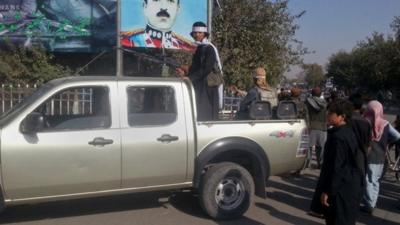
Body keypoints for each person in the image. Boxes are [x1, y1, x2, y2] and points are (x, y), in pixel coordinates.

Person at [312, 99, 366, 225]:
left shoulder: (339, 138)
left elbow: (338, 168)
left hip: (341, 191)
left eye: (331, 113)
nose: (327, 115)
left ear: (342, 117)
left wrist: (328, 191)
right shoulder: (346, 132)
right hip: (348, 187)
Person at [176, 21, 221, 121]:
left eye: (200, 33)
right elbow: (196, 67)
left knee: (206, 113)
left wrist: (190, 78)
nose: (197, 35)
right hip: (199, 85)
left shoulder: (209, 49)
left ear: (204, 34)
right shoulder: (199, 48)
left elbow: (207, 68)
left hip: (207, 86)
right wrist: (186, 73)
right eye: (195, 33)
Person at [121, 0, 194, 50]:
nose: (164, 7)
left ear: (178, 9)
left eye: (170, 0)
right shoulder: (124, 43)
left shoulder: (188, 48)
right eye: (156, 0)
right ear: (145, 6)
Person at [360, 100, 391, 214]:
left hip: (370, 156)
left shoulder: (365, 122)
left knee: (369, 180)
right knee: (375, 180)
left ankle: (369, 205)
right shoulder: (385, 124)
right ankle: (372, 202)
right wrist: (387, 141)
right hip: (381, 156)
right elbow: (397, 136)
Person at [306, 87, 328, 169]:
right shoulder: (325, 103)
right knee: (321, 148)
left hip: (310, 127)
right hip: (323, 128)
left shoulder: (307, 102)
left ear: (311, 93)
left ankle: (307, 163)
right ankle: (320, 164)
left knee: (309, 147)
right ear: (320, 94)